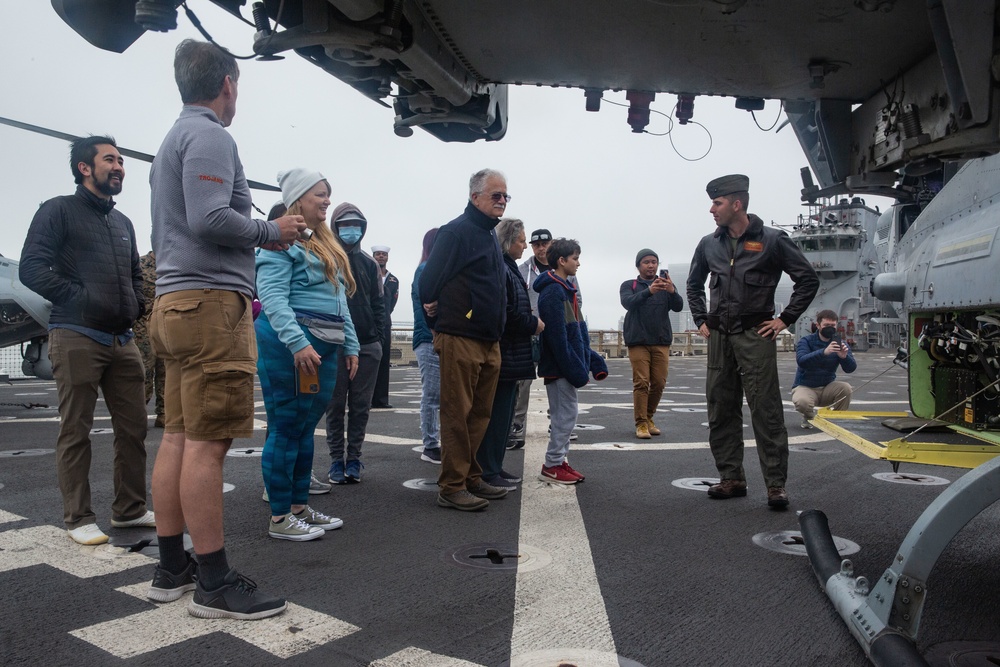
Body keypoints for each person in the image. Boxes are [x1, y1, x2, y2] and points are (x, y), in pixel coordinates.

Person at [146, 39, 305, 619]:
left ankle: (172, 567)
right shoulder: (210, 133)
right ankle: (213, 581)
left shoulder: (172, 137)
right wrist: (273, 230)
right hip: (211, 304)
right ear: (228, 84)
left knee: (181, 437)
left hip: (175, 302)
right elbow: (209, 216)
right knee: (208, 445)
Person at [19, 135, 154, 546]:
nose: (119, 167)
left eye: (121, 161)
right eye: (110, 159)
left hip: (122, 338)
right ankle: (78, 517)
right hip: (75, 334)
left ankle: (129, 510)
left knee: (134, 429)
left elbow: (134, 275)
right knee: (75, 431)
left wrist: (136, 304)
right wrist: (82, 299)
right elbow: (31, 269)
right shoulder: (57, 210)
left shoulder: (123, 223)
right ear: (84, 168)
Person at [686, 174, 818, 510]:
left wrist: (784, 319)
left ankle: (776, 485)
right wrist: (701, 318)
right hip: (720, 337)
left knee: (766, 409)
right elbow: (693, 284)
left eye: (717, 203)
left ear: (736, 204)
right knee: (720, 406)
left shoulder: (773, 240)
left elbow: (807, 279)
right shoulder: (708, 244)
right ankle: (731, 478)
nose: (711, 210)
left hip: (754, 335)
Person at [256, 169, 360, 541]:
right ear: (298, 199)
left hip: (324, 347)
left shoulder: (322, 243)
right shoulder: (280, 244)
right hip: (292, 347)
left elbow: (338, 300)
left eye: (328, 194)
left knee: (303, 430)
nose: (327, 201)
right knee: (285, 428)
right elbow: (271, 297)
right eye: (320, 195)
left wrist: (351, 344)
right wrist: (297, 343)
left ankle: (298, 507)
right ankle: (280, 516)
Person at [419, 168, 510, 511]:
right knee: (458, 414)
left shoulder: (488, 235)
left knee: (479, 415)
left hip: (489, 340)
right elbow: (428, 284)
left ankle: (471, 476)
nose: (501, 201)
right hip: (461, 337)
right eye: (495, 196)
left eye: (505, 196)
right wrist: (438, 318)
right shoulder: (456, 232)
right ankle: (452, 486)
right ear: (475, 197)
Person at [476, 218, 542, 489]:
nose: (525, 246)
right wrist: (533, 324)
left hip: (512, 352)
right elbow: (508, 312)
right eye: (522, 240)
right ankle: (488, 470)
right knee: (497, 414)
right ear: (508, 241)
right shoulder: (502, 268)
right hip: (505, 352)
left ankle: (495, 467)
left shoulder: (508, 267)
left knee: (503, 416)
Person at [535, 238, 607, 484]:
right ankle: (553, 464)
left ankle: (559, 460)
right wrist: (575, 367)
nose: (578, 263)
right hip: (559, 367)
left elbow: (577, 332)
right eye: (575, 258)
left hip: (566, 364)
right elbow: (557, 337)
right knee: (564, 416)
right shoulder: (554, 292)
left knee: (567, 414)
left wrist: (591, 359)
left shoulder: (565, 289)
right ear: (561, 261)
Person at [325, 203, 385, 484]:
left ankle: (355, 459)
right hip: (334, 344)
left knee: (361, 407)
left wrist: (378, 339)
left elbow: (379, 304)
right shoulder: (326, 258)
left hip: (368, 344)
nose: (351, 230)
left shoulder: (371, 265)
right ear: (335, 227)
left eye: (356, 224)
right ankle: (336, 459)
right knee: (335, 405)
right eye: (345, 224)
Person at [620, 248, 684, 439]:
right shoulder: (629, 285)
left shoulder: (666, 286)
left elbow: (679, 306)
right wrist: (649, 291)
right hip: (638, 341)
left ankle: (648, 418)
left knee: (659, 382)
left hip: (661, 341)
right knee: (641, 382)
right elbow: (627, 303)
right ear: (638, 265)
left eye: (654, 262)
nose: (650, 265)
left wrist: (672, 291)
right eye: (646, 262)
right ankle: (640, 424)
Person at [508, 228, 551, 449]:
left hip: (555, 332)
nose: (541, 248)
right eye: (536, 245)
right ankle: (516, 426)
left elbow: (577, 299)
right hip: (531, 331)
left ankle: (559, 422)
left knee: (557, 379)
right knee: (522, 382)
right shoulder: (522, 269)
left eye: (545, 244)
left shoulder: (564, 268)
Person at [792, 309, 856, 428]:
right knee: (802, 402)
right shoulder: (806, 341)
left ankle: (838, 420)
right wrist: (824, 352)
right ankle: (809, 417)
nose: (830, 328)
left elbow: (850, 369)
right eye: (826, 325)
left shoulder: (840, 343)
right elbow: (802, 361)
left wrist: (844, 357)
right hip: (806, 386)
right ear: (818, 325)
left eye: (833, 325)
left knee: (846, 388)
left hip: (827, 387)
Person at [411, 228, 442, 464]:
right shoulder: (425, 270)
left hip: (432, 338)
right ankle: (430, 445)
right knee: (432, 394)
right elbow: (426, 310)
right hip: (428, 339)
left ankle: (433, 442)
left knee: (437, 394)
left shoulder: (432, 269)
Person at [134, 250, 166, 428]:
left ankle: (165, 414)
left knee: (167, 371)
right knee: (144, 371)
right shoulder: (139, 264)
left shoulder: (171, 264)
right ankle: (138, 413)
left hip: (166, 324)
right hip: (143, 326)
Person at [371, 244, 399, 409]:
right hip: (369, 321)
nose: (381, 257)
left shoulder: (393, 280)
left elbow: (393, 303)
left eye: (383, 254)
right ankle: (364, 397)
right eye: (378, 254)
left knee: (383, 359)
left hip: (385, 322)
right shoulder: (367, 273)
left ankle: (381, 399)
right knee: (366, 360)